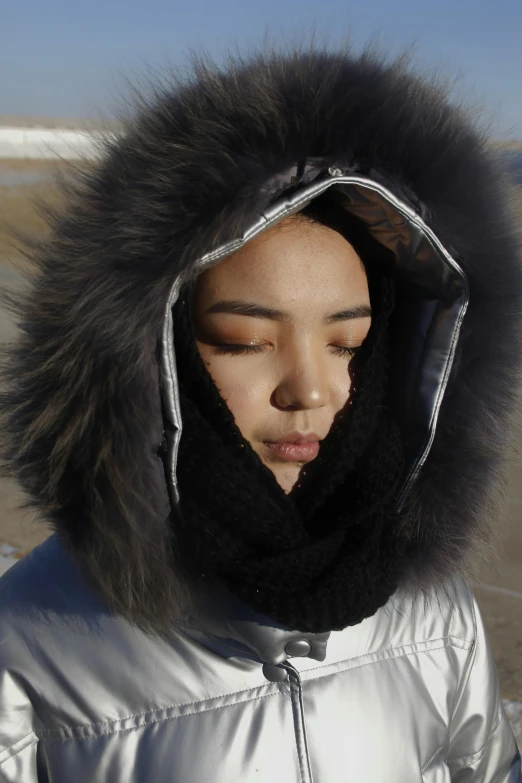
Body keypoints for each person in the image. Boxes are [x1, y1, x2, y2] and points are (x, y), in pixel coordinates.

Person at [0, 44, 521, 782]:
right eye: (246, 341)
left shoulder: (435, 612)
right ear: (155, 354)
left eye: (348, 342)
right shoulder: (26, 640)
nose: (310, 389)